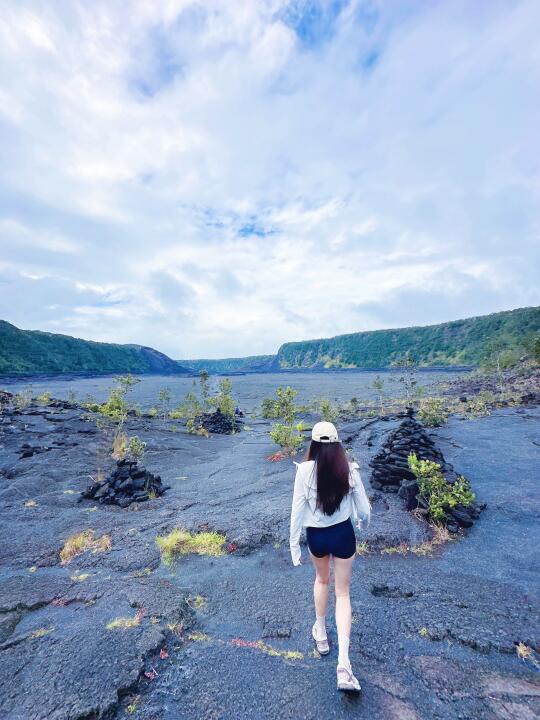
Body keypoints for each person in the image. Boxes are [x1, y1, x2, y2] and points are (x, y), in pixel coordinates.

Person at [289, 421, 371, 692]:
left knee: (322, 581)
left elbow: (297, 511)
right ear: (337, 443)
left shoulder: (304, 471)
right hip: (343, 534)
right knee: (344, 593)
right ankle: (344, 665)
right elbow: (364, 510)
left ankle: (321, 634)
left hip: (317, 537)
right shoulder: (349, 468)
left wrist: (294, 547)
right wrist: (361, 522)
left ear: (312, 443)